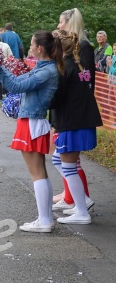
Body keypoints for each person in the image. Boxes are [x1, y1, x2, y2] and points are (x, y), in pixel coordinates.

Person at [0, 30, 63, 232]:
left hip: (32, 121)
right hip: (33, 121)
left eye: (31, 44)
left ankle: (44, 220)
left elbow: (15, 86)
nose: (29, 47)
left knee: (37, 173)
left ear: (39, 48)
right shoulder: (45, 68)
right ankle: (45, 218)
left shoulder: (45, 71)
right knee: (40, 172)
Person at [49, 30, 102, 225]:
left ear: (57, 48)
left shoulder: (64, 68)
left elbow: (56, 99)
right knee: (59, 160)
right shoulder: (79, 66)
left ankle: (81, 210)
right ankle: (82, 200)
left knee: (68, 167)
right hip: (82, 121)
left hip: (71, 122)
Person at [52, 8, 96, 210]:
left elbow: (84, 81)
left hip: (74, 112)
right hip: (66, 111)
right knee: (64, 160)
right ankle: (70, 196)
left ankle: (78, 198)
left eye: (61, 22)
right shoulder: (68, 51)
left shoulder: (84, 47)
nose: (59, 26)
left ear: (69, 23)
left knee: (69, 161)